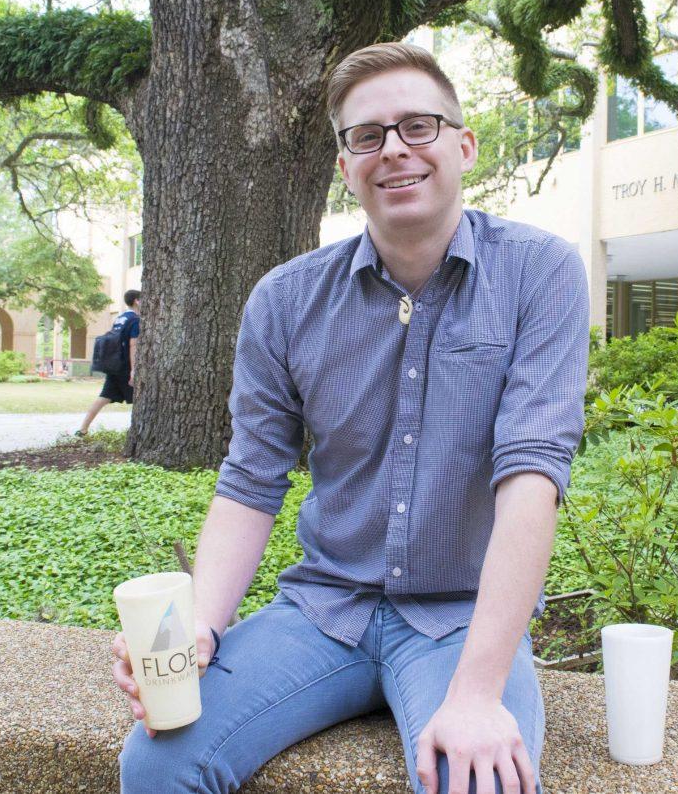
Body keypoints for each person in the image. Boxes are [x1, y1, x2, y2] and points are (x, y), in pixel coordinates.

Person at [113, 43, 588, 794]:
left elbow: (532, 476)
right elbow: (251, 478)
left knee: (479, 782)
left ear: (464, 145)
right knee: (159, 762)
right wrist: (197, 629)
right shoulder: (286, 299)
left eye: (419, 126)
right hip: (321, 611)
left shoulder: (540, 272)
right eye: (367, 136)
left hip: (458, 618)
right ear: (345, 165)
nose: (394, 149)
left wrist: (473, 694)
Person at [76, 289, 141, 436]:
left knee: (104, 397)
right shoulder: (135, 320)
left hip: (114, 366)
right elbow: (133, 345)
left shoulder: (120, 318)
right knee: (142, 399)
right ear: (137, 301)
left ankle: (83, 429)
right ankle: (139, 433)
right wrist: (134, 370)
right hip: (126, 367)